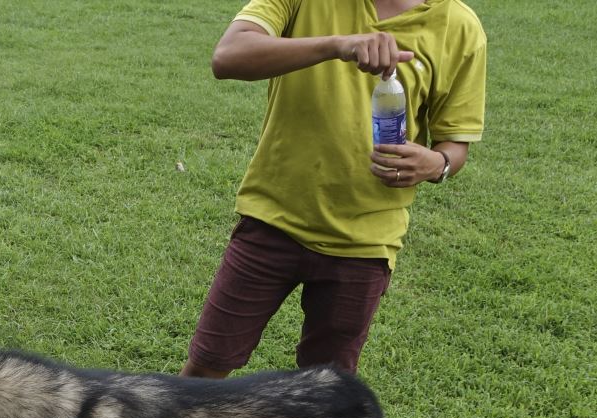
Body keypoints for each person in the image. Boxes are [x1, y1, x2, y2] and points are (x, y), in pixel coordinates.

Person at [181, 0, 487, 379]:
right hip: (272, 218)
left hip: (364, 241)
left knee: (324, 393)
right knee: (204, 373)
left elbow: (455, 145)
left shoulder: (459, 26)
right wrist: (338, 45)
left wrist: (435, 164)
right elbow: (228, 56)